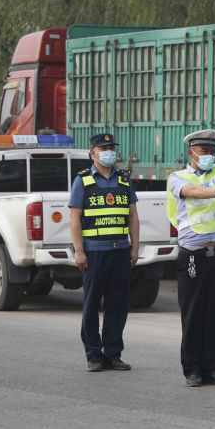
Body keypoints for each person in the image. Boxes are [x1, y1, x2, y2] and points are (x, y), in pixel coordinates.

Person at [166, 108, 215, 387]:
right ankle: (193, 370)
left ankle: (213, 367)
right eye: (203, 150)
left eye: (212, 151)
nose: (209, 155)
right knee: (193, 313)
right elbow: (191, 193)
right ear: (192, 153)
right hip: (194, 257)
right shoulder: (178, 178)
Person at [69, 133, 139, 373]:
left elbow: (133, 216)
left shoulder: (124, 180)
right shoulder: (83, 181)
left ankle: (112, 353)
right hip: (94, 253)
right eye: (103, 148)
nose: (109, 152)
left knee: (117, 305)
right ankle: (93, 355)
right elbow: (75, 218)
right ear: (93, 152)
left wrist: (135, 247)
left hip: (120, 251)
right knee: (91, 306)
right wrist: (79, 251)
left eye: (111, 148)